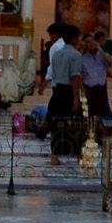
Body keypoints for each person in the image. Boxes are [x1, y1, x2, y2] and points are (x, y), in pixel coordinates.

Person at [43, 24, 82, 165]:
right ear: (73, 39)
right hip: (68, 91)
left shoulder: (57, 53)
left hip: (57, 91)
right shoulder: (75, 55)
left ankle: (54, 155)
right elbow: (75, 77)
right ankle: (78, 154)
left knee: (57, 124)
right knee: (76, 123)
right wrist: (76, 98)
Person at [80, 32, 112, 117]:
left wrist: (100, 49)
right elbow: (79, 74)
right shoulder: (82, 58)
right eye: (87, 42)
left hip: (101, 89)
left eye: (92, 40)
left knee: (104, 114)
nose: (91, 43)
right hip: (88, 89)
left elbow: (110, 62)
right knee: (88, 114)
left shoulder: (102, 55)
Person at [37, 22, 65, 95]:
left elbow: (52, 66)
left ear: (56, 34)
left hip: (58, 81)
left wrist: (44, 84)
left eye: (50, 35)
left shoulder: (55, 47)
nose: (50, 38)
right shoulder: (66, 45)